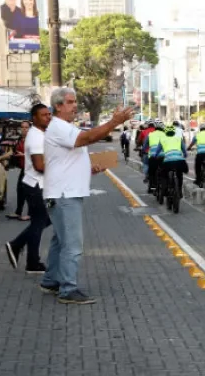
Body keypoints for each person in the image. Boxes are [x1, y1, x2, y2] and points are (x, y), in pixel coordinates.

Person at [39, 88, 134, 305]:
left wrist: (89, 167)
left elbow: (69, 157)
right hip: (65, 194)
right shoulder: (59, 127)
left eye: (75, 102)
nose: (75, 106)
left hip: (65, 191)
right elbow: (87, 138)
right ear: (58, 105)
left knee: (60, 241)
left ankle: (51, 280)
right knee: (72, 245)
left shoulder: (63, 128)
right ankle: (68, 289)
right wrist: (114, 122)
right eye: (70, 102)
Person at [4, 104, 53, 274]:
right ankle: (18, 246)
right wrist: (61, 167)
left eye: (49, 114)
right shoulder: (36, 137)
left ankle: (31, 261)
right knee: (42, 221)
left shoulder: (40, 134)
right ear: (34, 118)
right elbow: (40, 166)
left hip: (35, 184)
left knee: (41, 221)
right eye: (43, 115)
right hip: (35, 185)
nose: (48, 117)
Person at [151, 123, 189, 195]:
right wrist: (185, 155)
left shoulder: (162, 139)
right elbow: (184, 150)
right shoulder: (178, 138)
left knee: (164, 175)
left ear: (165, 132)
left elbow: (157, 151)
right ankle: (179, 191)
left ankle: (165, 190)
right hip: (179, 161)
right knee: (180, 175)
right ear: (174, 132)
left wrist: (155, 156)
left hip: (168, 161)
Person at [146, 119, 166, 193]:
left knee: (151, 171)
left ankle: (153, 186)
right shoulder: (165, 135)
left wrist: (143, 151)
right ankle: (166, 186)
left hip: (153, 157)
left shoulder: (150, 135)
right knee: (165, 171)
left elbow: (145, 146)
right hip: (164, 157)